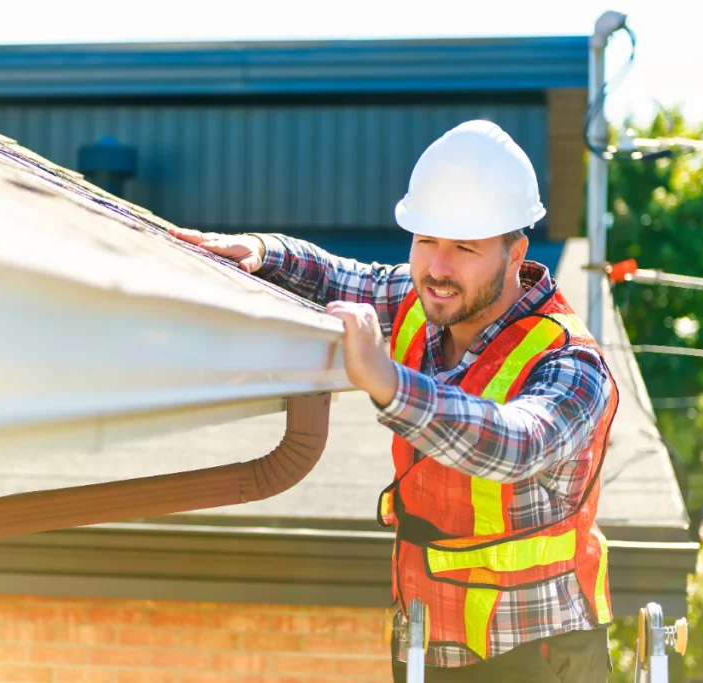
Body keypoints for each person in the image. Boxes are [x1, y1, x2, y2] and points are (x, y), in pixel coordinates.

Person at [169, 120, 619, 682]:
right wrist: (264, 251)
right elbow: (337, 275)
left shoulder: (572, 364)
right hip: (426, 644)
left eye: (464, 248)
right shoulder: (421, 301)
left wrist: (386, 381)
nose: (437, 267)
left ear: (515, 251)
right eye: (425, 240)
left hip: (534, 655)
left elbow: (515, 444)